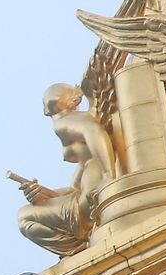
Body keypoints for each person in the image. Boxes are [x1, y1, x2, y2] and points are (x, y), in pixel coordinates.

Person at [10, 83, 116, 257]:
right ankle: (82, 247)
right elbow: (74, 190)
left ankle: (76, 248)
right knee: (30, 210)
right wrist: (43, 194)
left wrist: (109, 176)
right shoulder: (86, 156)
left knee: (24, 216)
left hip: (92, 199)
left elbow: (93, 132)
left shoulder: (64, 121)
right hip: (87, 198)